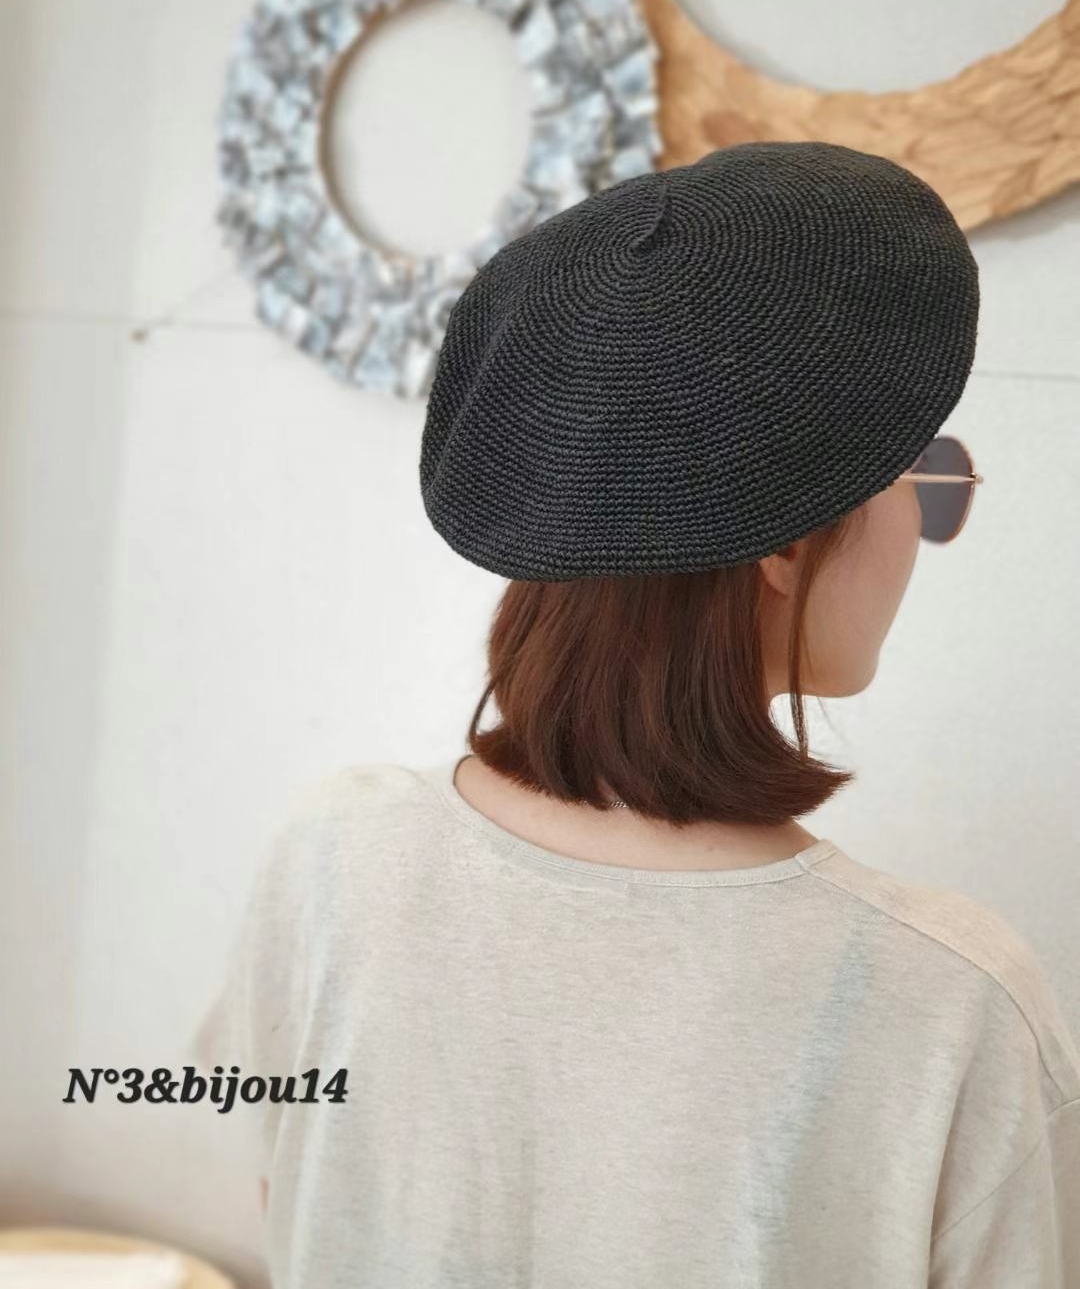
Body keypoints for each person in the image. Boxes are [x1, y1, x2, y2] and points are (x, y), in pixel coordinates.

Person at [191, 141, 1079, 1287]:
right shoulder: (953, 1007)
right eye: (927, 477)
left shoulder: (331, 861)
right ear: (791, 540)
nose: (927, 527)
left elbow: (292, 1210)